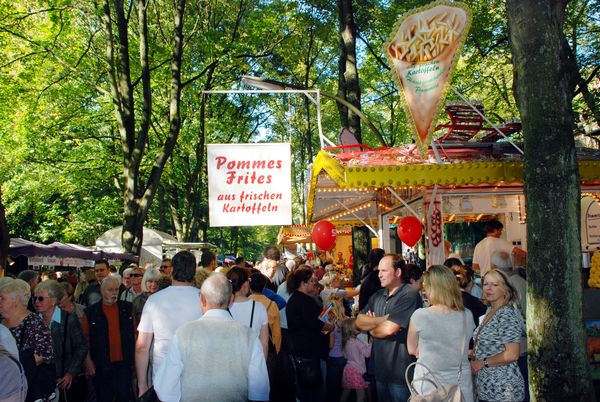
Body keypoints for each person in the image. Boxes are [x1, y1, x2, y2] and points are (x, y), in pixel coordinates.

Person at [154, 273, 270, 402]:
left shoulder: (183, 334)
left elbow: (165, 388)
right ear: (231, 300)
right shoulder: (249, 336)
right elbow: (259, 390)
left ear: (202, 299)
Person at [356, 254, 422, 402]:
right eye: (379, 270)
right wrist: (384, 319)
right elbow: (359, 322)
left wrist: (372, 327)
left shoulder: (409, 294)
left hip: (401, 373)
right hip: (380, 370)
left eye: (384, 270)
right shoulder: (378, 295)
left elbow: (389, 329)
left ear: (398, 272)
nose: (379, 274)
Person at [135, 251, 202, 397]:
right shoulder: (205, 300)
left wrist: (142, 385)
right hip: (198, 377)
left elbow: (142, 347)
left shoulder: (154, 300)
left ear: (172, 270)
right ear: (193, 271)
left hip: (162, 379)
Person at [407, 265, 475, 401]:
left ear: (432, 289)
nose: (424, 291)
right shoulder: (466, 315)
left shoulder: (421, 315)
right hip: (460, 388)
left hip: (429, 388)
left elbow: (412, 349)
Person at [470, 269, 525, 402]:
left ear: (505, 289)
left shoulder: (506, 313)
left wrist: (482, 362)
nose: (488, 288)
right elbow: (494, 345)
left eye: (495, 285)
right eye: (485, 284)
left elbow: (512, 354)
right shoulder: (491, 310)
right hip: (488, 388)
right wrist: (474, 352)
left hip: (503, 389)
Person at [0, 279, 55, 402]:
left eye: (2, 298)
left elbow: (45, 354)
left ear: (16, 301)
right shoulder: (1, 322)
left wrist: (11, 366)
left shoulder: (34, 323)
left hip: (25, 389)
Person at [82, 276, 135, 402]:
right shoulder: (90, 312)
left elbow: (135, 334)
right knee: (104, 397)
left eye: (116, 289)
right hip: (101, 365)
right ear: (102, 290)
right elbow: (84, 340)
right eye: (110, 290)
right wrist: (88, 362)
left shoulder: (127, 308)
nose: (114, 293)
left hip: (124, 364)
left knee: (124, 397)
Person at [34, 280, 88, 402]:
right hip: (41, 380)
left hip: (64, 381)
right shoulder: (33, 320)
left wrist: (70, 373)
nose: (36, 302)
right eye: (35, 298)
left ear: (53, 301)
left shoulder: (69, 318)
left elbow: (82, 347)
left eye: (41, 298)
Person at [286, 266, 333, 402]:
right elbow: (317, 326)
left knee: (304, 389)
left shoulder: (294, 299)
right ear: (303, 282)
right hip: (309, 352)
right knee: (313, 391)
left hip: (300, 350)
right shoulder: (305, 301)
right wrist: (329, 325)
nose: (315, 284)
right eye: (312, 281)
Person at [226, 267, 270, 358]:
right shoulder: (259, 307)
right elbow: (264, 343)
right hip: (252, 361)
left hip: (228, 361)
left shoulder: (222, 306)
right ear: (245, 284)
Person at [340, 317, 371, 402]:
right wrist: (371, 342)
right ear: (351, 329)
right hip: (357, 371)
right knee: (361, 394)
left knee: (346, 392)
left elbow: (345, 356)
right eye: (357, 326)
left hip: (348, 370)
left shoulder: (345, 341)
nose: (360, 326)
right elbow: (367, 354)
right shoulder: (357, 342)